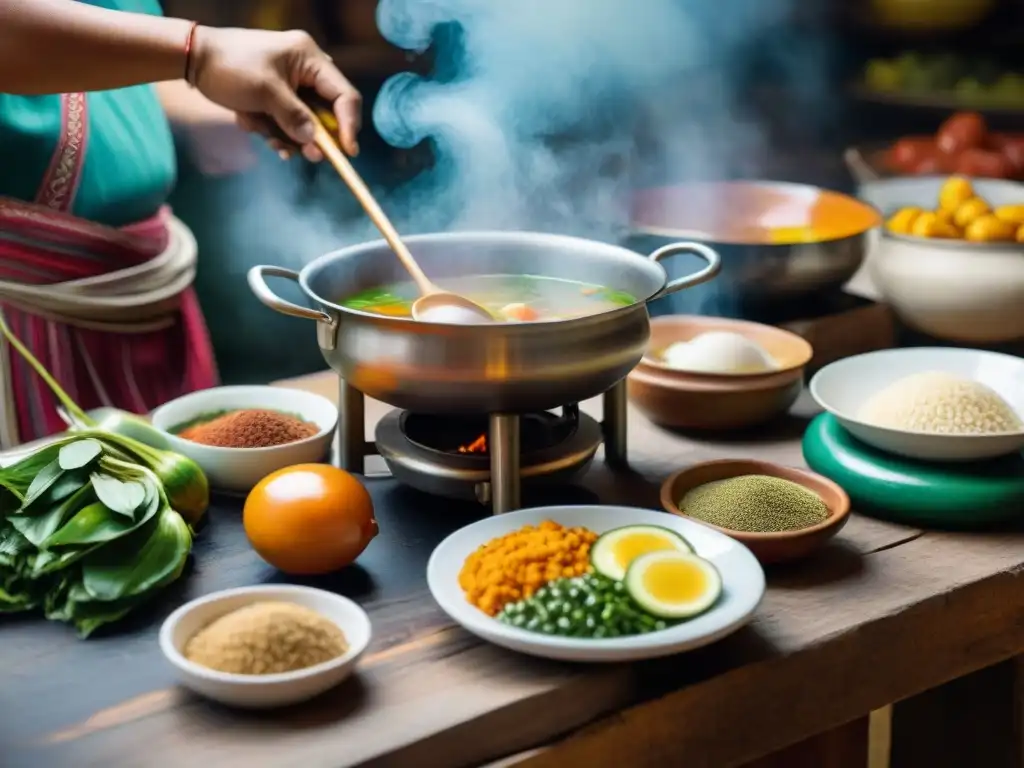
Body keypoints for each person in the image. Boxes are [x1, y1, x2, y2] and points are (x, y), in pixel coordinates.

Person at [0, 0, 362, 447]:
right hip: (26, 319)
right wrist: (200, 54)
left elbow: (109, 28)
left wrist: (198, 94)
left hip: (142, 292)